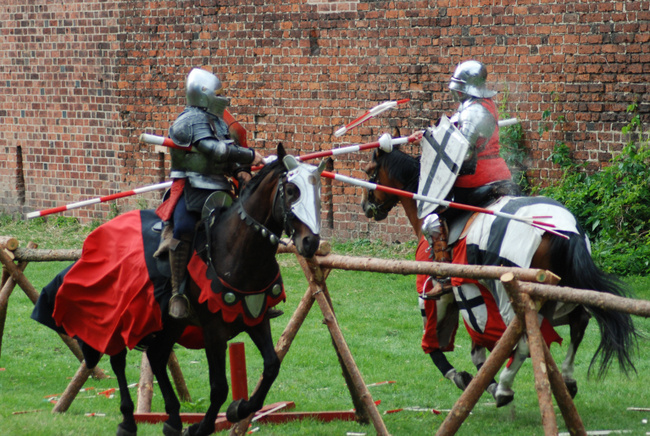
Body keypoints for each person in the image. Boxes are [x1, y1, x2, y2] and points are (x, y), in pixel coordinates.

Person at [156, 68, 265, 319]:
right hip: (191, 188)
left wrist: (241, 171)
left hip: (220, 187)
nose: (222, 97)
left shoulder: (217, 120)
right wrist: (249, 156)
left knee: (246, 228)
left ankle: (251, 291)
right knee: (183, 228)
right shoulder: (187, 122)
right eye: (218, 93)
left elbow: (229, 150)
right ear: (203, 94)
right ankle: (178, 292)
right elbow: (213, 150)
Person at [420, 60, 520, 295]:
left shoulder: (472, 111)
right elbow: (452, 132)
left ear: (465, 88)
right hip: (500, 174)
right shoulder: (484, 105)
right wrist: (428, 134)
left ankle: (443, 277)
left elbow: (461, 153)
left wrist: (434, 147)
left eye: (458, 88)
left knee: (432, 216)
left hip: (476, 179)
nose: (455, 92)